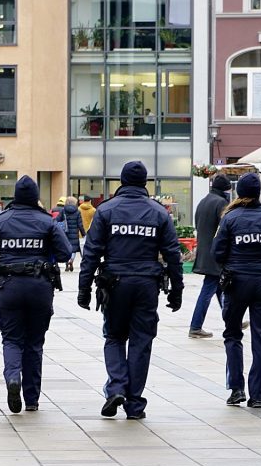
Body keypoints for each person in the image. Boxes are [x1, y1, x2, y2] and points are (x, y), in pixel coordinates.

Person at [78, 160, 183, 420]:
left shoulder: (106, 210)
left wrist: (84, 289)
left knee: (114, 336)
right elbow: (173, 254)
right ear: (145, 183)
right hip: (147, 284)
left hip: (115, 284)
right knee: (141, 342)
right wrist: (177, 290)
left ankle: (116, 387)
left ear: (122, 182)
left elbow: (91, 252)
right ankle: (134, 404)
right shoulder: (159, 212)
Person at [0, 176, 71, 414]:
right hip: (40, 286)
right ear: (36, 197)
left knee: (11, 339)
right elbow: (65, 253)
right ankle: (31, 399)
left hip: (9, 287)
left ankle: (12, 378)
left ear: (15, 196)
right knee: (34, 343)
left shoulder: (1, 221)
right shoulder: (47, 222)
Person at [212, 173, 261, 408]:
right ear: (259, 193)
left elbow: (217, 252)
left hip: (236, 282)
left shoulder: (230, 218)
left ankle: (236, 389)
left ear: (238, 193)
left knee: (233, 334)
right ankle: (257, 395)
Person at [188, 173, 231, 339]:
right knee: (208, 289)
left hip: (205, 252)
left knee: (221, 288)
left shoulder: (204, 200)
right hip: (216, 254)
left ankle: (232, 319)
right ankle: (195, 326)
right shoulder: (221, 203)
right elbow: (225, 228)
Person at [58, 196, 85, 271]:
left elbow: (57, 220)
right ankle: (71, 261)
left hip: (65, 233)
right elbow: (80, 224)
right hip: (74, 234)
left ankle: (67, 262)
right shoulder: (77, 211)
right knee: (73, 249)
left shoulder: (63, 211)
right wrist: (83, 234)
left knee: (66, 248)